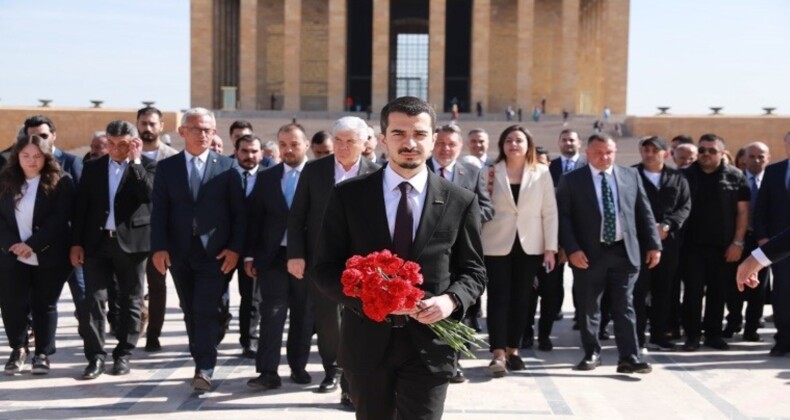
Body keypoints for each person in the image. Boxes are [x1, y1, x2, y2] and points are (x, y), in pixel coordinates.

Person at [313, 96, 486, 420]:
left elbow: (474, 271)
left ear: (433, 140)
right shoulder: (348, 196)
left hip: (431, 345)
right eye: (399, 133)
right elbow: (324, 269)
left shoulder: (459, 200)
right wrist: (369, 298)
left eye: (419, 134)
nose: (409, 143)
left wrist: (450, 301)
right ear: (382, 139)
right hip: (366, 344)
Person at [150, 108, 246, 391]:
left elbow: (239, 214)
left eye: (208, 130)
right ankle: (201, 355)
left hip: (214, 252)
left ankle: (204, 366)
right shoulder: (168, 168)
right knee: (189, 309)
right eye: (196, 129)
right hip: (179, 251)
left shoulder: (227, 167)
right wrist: (158, 248)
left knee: (204, 308)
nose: (203, 135)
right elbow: (160, 212)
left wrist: (234, 249)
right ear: (182, 132)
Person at [287, 116, 381, 404]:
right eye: (338, 140)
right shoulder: (314, 171)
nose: (342, 146)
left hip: (364, 264)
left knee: (359, 320)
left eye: (350, 141)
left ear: (365, 143)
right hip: (322, 260)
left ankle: (352, 381)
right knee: (328, 319)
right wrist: (296, 254)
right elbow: (297, 215)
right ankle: (333, 369)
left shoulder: (378, 173)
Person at [557, 133, 661, 374]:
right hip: (589, 253)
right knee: (589, 306)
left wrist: (654, 245)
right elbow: (564, 218)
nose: (604, 157)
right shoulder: (571, 180)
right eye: (598, 153)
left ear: (615, 152)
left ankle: (629, 357)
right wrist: (572, 249)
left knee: (625, 306)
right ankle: (592, 352)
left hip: (624, 251)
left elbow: (644, 211)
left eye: (609, 152)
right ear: (587, 154)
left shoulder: (630, 175)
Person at [70, 121, 156, 379]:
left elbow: (148, 195)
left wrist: (136, 162)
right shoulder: (92, 168)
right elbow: (81, 208)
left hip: (133, 244)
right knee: (93, 299)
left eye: (122, 144)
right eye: (111, 143)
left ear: (133, 142)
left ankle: (123, 354)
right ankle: (95, 356)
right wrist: (76, 243)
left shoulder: (148, 166)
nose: (116, 149)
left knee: (131, 299)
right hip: (97, 244)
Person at [482, 125, 557, 377]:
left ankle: (514, 349)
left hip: (530, 243)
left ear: (528, 145)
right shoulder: (490, 172)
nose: (514, 145)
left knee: (522, 298)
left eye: (519, 141)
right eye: (509, 140)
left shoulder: (542, 173)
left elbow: (549, 211)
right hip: (495, 242)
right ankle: (498, 353)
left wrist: (550, 248)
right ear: (502, 145)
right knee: (497, 298)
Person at [244, 123, 313, 391]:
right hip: (272, 256)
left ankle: (298, 366)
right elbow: (255, 220)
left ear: (305, 145)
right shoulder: (267, 177)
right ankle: (268, 371)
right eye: (283, 144)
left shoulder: (318, 176)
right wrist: (250, 255)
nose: (288, 150)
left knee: (302, 312)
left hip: (306, 258)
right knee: (271, 312)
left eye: (294, 144)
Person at [0, 135, 74, 375]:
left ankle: (42, 353)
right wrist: (14, 244)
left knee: (45, 304)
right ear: (16, 157)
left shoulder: (61, 182)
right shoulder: (5, 181)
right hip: (11, 255)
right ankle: (18, 348)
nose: (31, 161)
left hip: (48, 254)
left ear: (46, 157)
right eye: (25, 156)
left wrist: (31, 244)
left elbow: (60, 220)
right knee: (12, 304)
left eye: (37, 156)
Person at [427, 123, 493, 382]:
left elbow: (487, 208)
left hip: (459, 251)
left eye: (451, 144)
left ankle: (454, 362)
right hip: (426, 253)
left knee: (457, 306)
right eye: (441, 143)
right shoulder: (421, 168)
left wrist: (461, 220)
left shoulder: (472, 173)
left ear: (460, 147)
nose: (446, 149)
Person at [680, 134, 750, 351]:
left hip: (723, 247)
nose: (705, 155)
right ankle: (692, 336)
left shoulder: (735, 176)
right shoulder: (684, 176)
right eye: (702, 150)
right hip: (691, 246)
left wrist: (738, 243)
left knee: (718, 292)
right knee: (692, 293)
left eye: (711, 151)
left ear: (722, 153)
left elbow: (743, 212)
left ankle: (713, 335)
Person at [632, 136, 691, 351]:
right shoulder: (630, 175)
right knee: (638, 291)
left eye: (654, 150)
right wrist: (648, 230)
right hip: (638, 244)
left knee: (663, 291)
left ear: (665, 154)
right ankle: (637, 337)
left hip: (668, 243)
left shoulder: (678, 178)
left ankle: (659, 334)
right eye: (645, 150)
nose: (649, 154)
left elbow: (684, 207)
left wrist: (666, 226)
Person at [136, 106, 178, 353]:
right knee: (131, 287)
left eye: (152, 124)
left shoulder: (172, 157)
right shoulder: (129, 154)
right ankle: (134, 326)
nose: (148, 128)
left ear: (161, 126)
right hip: (131, 233)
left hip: (162, 233)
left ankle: (154, 334)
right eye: (144, 123)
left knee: (157, 285)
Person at [723, 142, 771, 342]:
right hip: (738, 240)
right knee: (734, 284)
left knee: (758, 288)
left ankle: (752, 327)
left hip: (764, 242)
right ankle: (733, 321)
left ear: (768, 158)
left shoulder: (773, 180)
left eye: (761, 156)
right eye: (752, 156)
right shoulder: (736, 180)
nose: (756, 160)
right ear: (744, 159)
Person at [753, 131, 790, 356]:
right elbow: (761, 208)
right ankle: (784, 339)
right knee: (782, 293)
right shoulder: (774, 172)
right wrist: (763, 238)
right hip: (778, 246)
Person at [548, 129, 588, 331]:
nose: (568, 143)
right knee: (554, 278)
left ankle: (581, 315)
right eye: (564, 140)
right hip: (553, 231)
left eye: (572, 139)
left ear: (579, 143)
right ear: (558, 143)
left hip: (581, 232)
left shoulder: (588, 167)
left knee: (581, 278)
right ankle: (554, 310)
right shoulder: (549, 167)